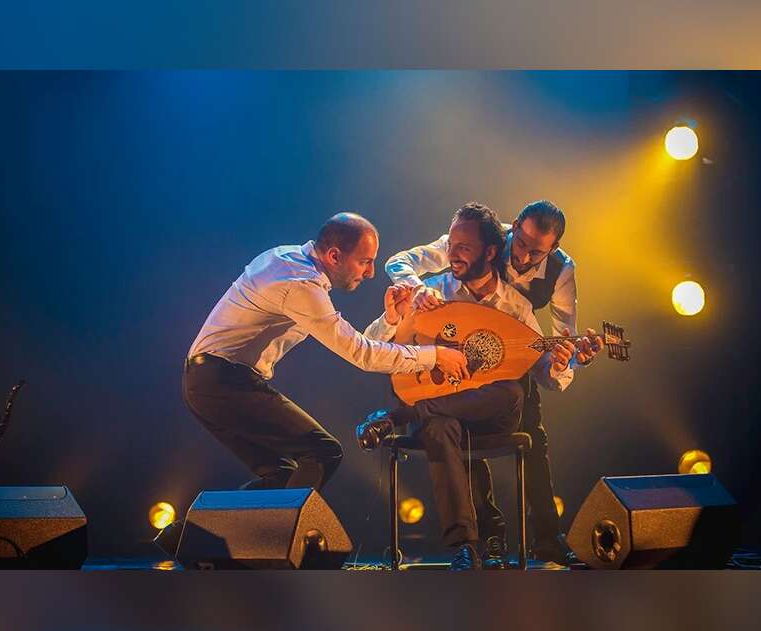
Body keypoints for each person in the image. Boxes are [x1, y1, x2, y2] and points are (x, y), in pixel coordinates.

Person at [355, 202, 579, 570]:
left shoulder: (517, 306)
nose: (452, 254)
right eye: (451, 246)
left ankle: (400, 416)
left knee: (512, 393)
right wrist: (397, 312)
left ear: (490, 253)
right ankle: (465, 547)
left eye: (464, 248)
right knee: (440, 427)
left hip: (491, 414)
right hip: (444, 410)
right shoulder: (433, 293)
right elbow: (372, 346)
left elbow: (544, 366)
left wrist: (559, 363)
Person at [183, 212, 468, 492]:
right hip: (223, 381)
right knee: (323, 452)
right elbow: (362, 354)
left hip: (208, 381)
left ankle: (204, 525)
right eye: (364, 262)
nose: (370, 273)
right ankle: (282, 526)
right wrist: (435, 356)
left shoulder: (289, 259)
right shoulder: (300, 284)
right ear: (334, 256)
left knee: (281, 476)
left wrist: (390, 320)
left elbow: (362, 344)